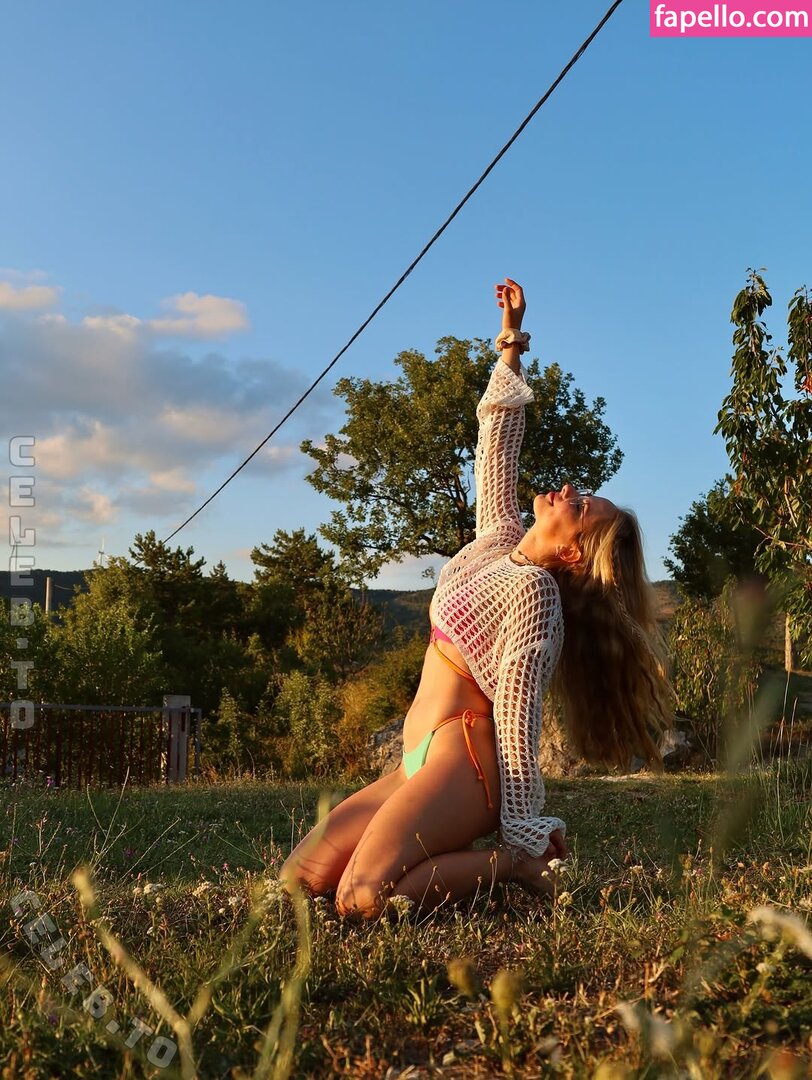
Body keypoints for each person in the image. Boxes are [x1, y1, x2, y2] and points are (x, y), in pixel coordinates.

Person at [280, 278, 671, 918]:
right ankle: (456, 854)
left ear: (574, 553)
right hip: (417, 759)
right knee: (298, 879)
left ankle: (514, 869)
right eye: (581, 492)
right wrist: (511, 342)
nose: (569, 491)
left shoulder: (536, 595)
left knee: (361, 897)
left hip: (464, 764)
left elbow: (517, 716)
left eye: (581, 506)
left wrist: (521, 830)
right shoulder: (498, 538)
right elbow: (496, 442)